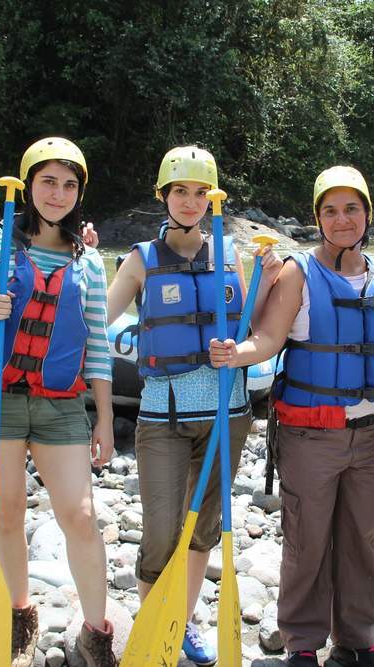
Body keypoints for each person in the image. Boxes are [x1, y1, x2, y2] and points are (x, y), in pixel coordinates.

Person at [209, 165, 374, 667]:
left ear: (367, 214)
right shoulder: (298, 271)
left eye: (352, 209)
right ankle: (301, 642)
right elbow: (269, 339)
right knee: (307, 540)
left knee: (362, 539)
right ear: (318, 218)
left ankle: (357, 639)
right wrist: (237, 353)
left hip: (372, 436)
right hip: (311, 435)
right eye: (331, 211)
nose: (342, 220)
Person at [0, 137, 117, 667]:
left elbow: (98, 342)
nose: (58, 194)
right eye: (47, 182)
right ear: (28, 186)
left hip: (61, 403)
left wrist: (104, 418)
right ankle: (19, 613)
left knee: (81, 515)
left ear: (79, 194)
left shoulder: (87, 262)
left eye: (68, 185)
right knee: (7, 511)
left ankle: (96, 631)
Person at [105, 145, 278, 665]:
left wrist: (266, 284)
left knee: (203, 528)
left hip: (227, 414)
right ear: (163, 196)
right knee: (161, 532)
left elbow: (249, 327)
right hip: (163, 416)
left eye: (201, 192)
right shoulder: (140, 259)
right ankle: (154, 622)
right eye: (180, 190)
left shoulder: (226, 252)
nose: (191, 201)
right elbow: (98, 316)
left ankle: (181, 623)